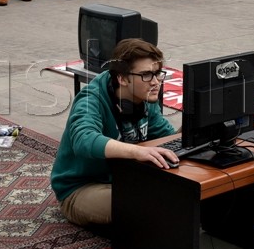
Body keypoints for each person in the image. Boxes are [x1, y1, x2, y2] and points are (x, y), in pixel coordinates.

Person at [50, 38, 177, 228]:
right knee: (149, 203)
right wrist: (136, 151)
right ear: (122, 78)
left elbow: (168, 138)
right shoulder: (90, 99)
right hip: (81, 188)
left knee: (179, 194)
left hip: (125, 178)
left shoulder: (145, 98)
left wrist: (196, 125)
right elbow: (84, 140)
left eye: (158, 74)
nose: (156, 82)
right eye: (146, 75)